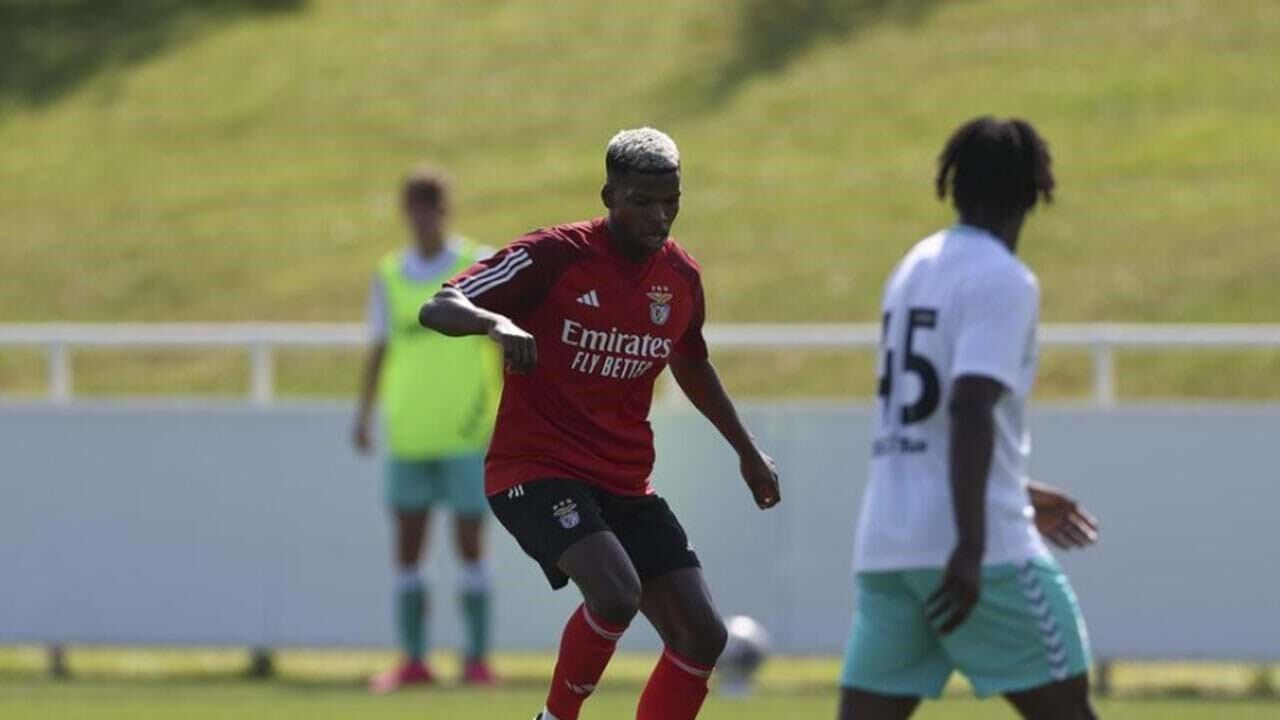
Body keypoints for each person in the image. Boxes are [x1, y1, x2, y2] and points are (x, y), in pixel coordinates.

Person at [419, 127, 781, 720]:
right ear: (609, 196)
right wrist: (495, 324)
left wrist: (746, 450)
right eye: (642, 201)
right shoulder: (553, 255)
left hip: (624, 481)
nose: (659, 216)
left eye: (671, 202)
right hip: (534, 469)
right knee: (615, 593)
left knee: (702, 635)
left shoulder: (680, 278)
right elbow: (440, 305)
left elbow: (691, 362)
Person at [838, 117, 1101, 720]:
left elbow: (925, 427)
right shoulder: (1003, 278)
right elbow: (968, 404)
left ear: (953, 185)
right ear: (1034, 190)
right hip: (978, 551)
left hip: (889, 548)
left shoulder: (914, 266)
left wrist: (1018, 488)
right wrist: (972, 543)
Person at [354, 166, 503, 693]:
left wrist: (507, 414)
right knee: (408, 550)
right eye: (415, 207)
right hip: (410, 434)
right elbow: (379, 349)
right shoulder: (389, 276)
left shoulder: (476, 266)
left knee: (471, 546)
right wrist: (364, 416)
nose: (423, 218)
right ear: (406, 212)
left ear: (445, 210)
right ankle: (414, 659)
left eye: (432, 207)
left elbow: (502, 343)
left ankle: (477, 660)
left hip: (466, 433)